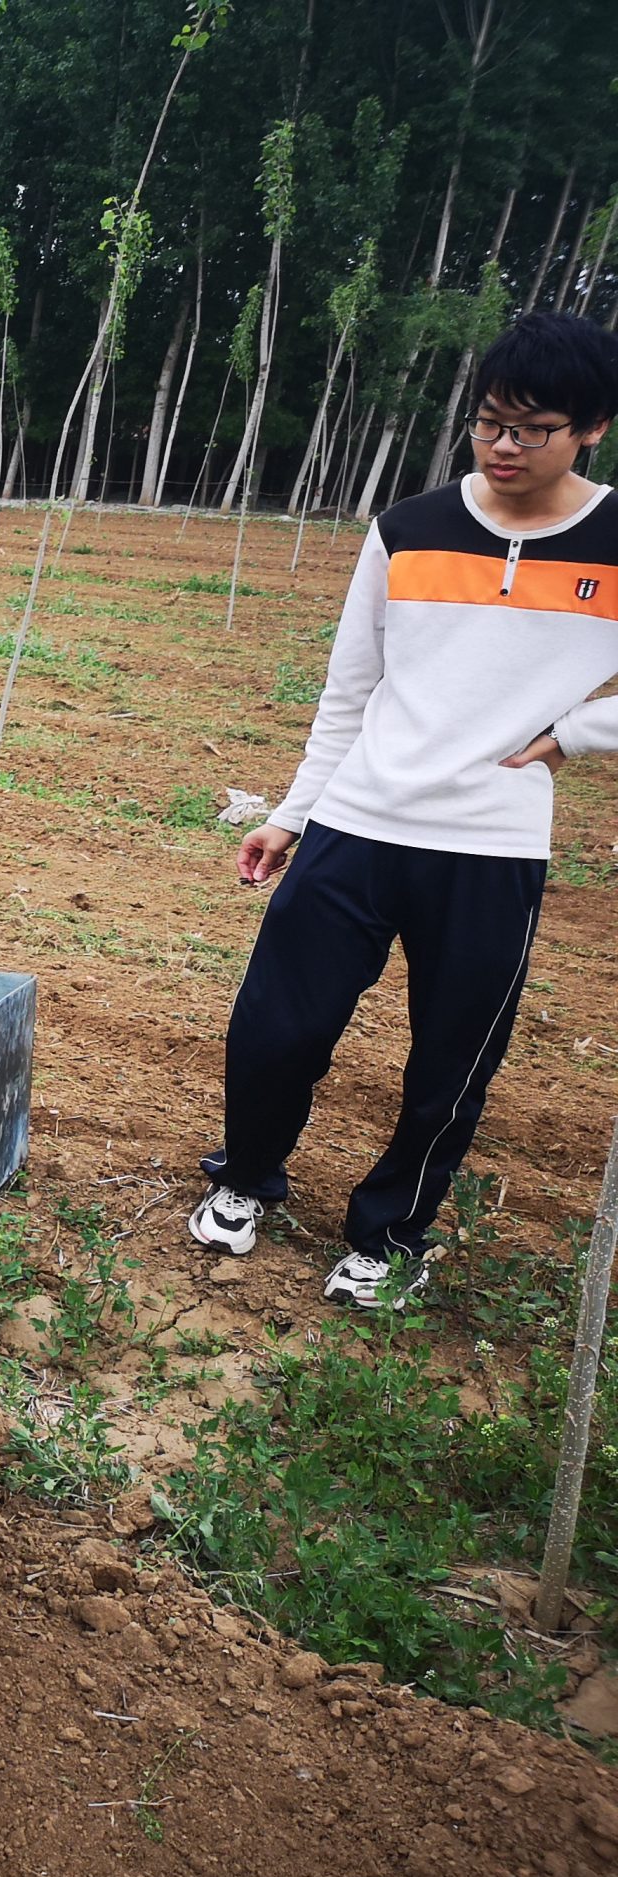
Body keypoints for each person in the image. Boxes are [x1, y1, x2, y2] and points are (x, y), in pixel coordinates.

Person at [189, 310, 618, 1306]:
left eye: (532, 428)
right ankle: (244, 1179)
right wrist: (292, 814)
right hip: (359, 822)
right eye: (487, 424)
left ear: (590, 426)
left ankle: (388, 1237)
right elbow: (351, 689)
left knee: (449, 1065)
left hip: (489, 845)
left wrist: (577, 736)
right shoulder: (409, 529)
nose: (503, 447)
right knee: (273, 1032)